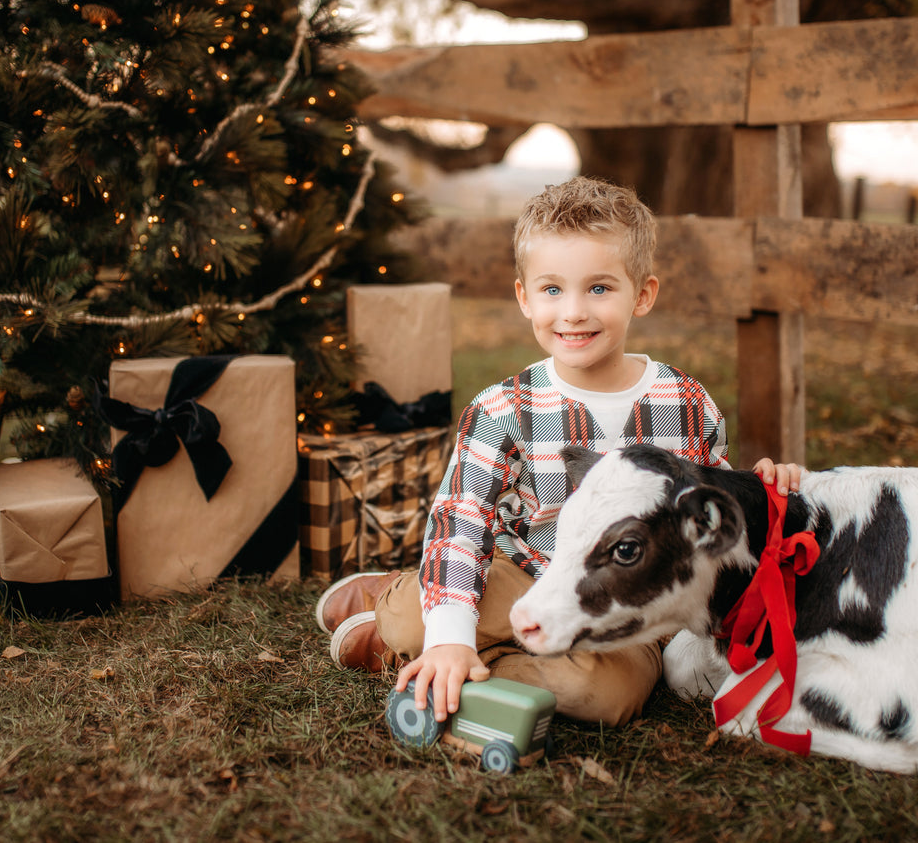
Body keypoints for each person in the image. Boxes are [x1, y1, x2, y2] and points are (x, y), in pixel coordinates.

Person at [316, 176, 801, 726]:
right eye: (552, 290)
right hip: (520, 573)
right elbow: (462, 516)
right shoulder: (504, 407)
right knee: (418, 618)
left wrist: (760, 490)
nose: (572, 312)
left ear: (642, 294)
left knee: (611, 698)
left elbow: (706, 513)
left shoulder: (685, 403)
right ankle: (401, 611)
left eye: (598, 289)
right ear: (525, 297)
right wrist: (450, 633)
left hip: (615, 604)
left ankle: (439, 661)